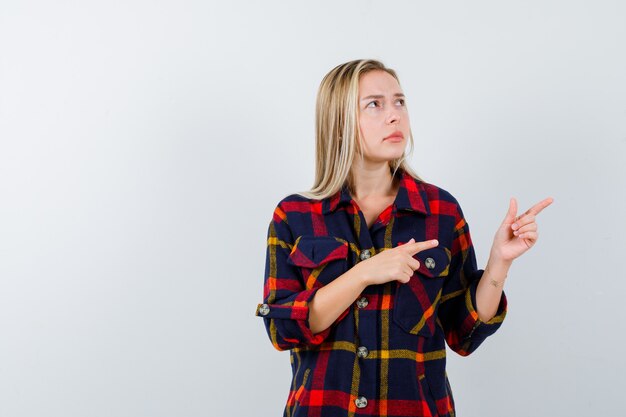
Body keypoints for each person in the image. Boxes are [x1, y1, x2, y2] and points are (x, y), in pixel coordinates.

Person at [254, 59, 553, 417]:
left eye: (399, 101)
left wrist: (499, 262)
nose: (394, 116)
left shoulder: (440, 211)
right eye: (374, 104)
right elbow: (283, 329)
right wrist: (364, 272)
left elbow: (464, 333)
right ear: (338, 124)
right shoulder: (295, 215)